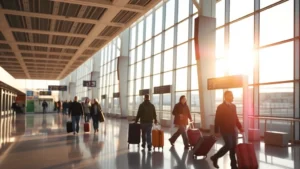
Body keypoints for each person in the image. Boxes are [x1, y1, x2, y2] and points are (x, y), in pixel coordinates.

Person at [210, 91, 244, 169]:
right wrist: (216, 131)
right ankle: (215, 157)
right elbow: (217, 120)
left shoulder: (233, 106)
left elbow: (236, 118)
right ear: (225, 96)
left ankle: (233, 166)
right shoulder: (220, 107)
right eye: (230, 95)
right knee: (229, 145)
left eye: (232, 95)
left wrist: (240, 127)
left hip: (233, 130)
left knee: (233, 148)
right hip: (225, 130)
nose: (232, 97)